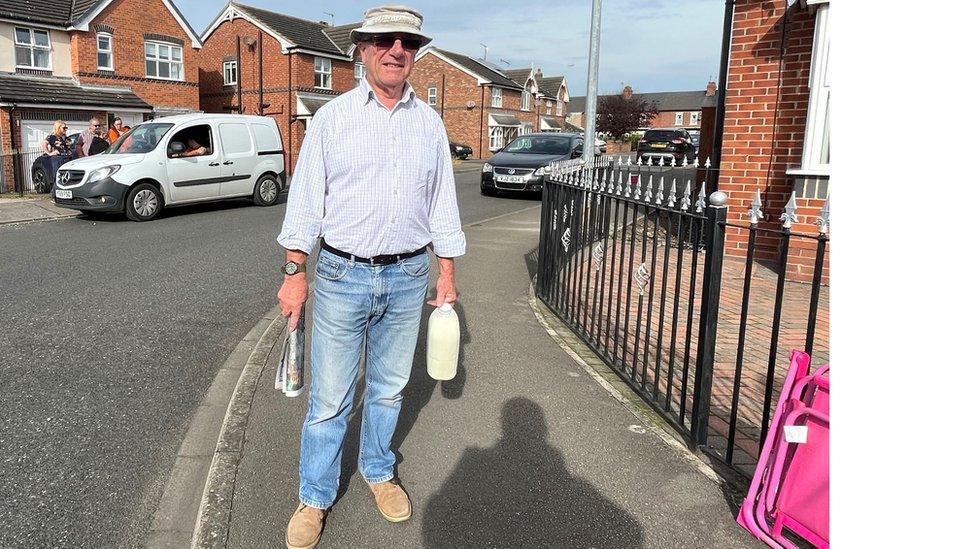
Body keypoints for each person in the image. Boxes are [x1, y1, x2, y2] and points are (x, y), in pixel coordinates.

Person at [276, 5, 464, 548]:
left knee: (387, 390)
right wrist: (295, 272)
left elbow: (442, 205)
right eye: (383, 40)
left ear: (415, 52)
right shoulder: (333, 118)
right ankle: (315, 496)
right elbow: (306, 204)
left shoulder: (429, 123)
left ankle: (378, 471)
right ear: (362, 49)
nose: (395, 50)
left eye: (406, 42)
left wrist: (444, 273)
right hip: (339, 273)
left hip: (409, 275)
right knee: (331, 396)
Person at [42, 120, 72, 197]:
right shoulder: (52, 137)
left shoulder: (66, 138)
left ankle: (66, 192)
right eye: (64, 128)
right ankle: (55, 193)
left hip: (67, 158)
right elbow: (43, 143)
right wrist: (49, 153)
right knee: (58, 175)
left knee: (67, 175)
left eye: (66, 128)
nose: (65, 129)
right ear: (58, 128)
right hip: (58, 158)